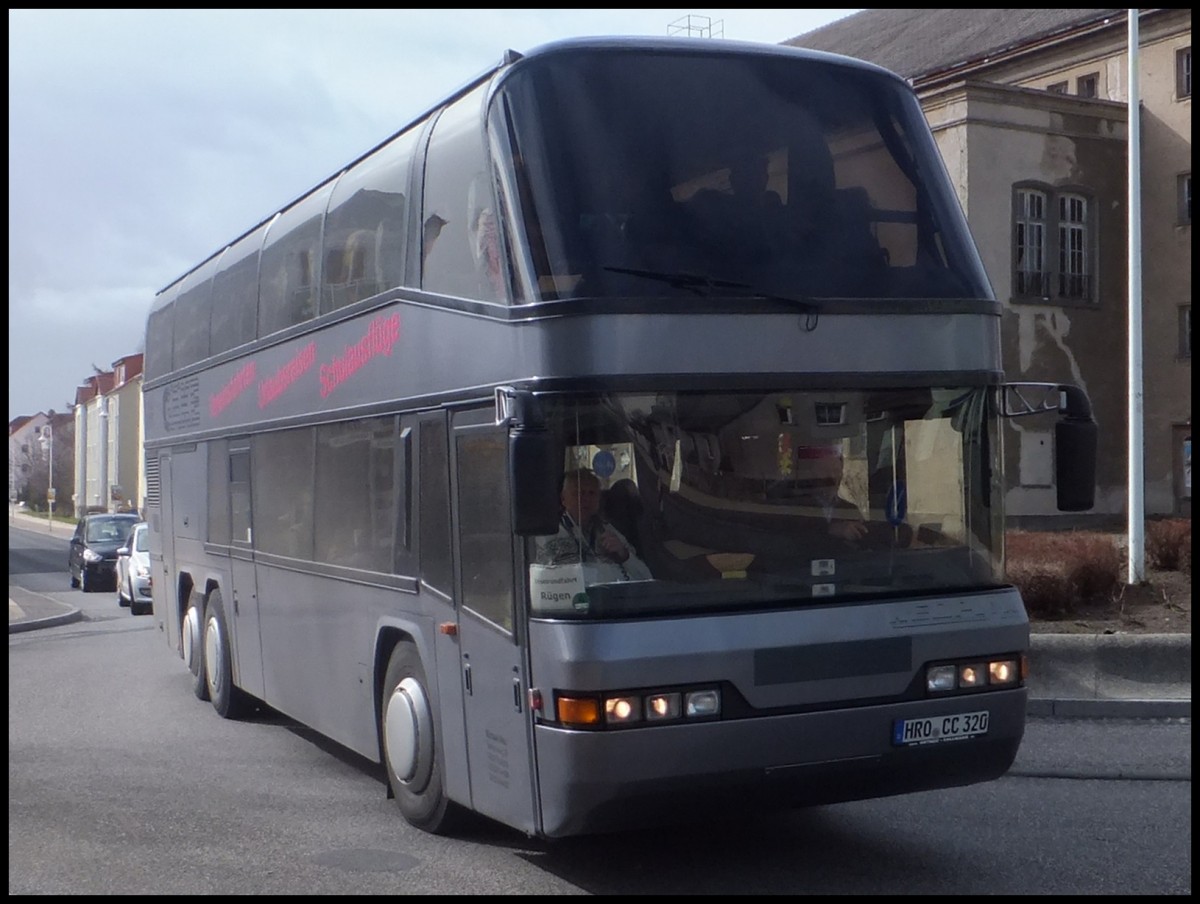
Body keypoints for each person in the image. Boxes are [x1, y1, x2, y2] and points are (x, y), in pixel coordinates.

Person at [535, 468, 652, 582]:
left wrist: (624, 555)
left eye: (591, 493)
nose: (586, 499)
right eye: (578, 493)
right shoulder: (550, 533)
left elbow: (646, 578)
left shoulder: (608, 530)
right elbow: (548, 581)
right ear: (563, 499)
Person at [794, 445, 868, 543]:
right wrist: (831, 530)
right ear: (812, 473)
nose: (832, 477)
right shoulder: (797, 507)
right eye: (825, 471)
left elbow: (863, 541)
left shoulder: (850, 509)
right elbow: (795, 536)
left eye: (836, 471)